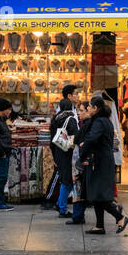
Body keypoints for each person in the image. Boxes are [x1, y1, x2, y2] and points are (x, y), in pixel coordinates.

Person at [78, 95, 128, 235]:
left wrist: (82, 154)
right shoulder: (103, 120)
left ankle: (120, 218)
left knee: (99, 196)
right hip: (101, 160)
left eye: (89, 106)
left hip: (100, 162)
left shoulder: (99, 122)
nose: (87, 108)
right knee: (96, 195)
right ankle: (99, 226)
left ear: (96, 108)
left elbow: (91, 139)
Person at [48, 90, 81, 218]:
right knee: (67, 180)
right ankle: (62, 207)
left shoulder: (55, 119)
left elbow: (52, 139)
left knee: (64, 178)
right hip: (68, 152)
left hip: (58, 152)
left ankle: (59, 203)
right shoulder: (71, 119)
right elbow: (75, 137)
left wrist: (54, 155)